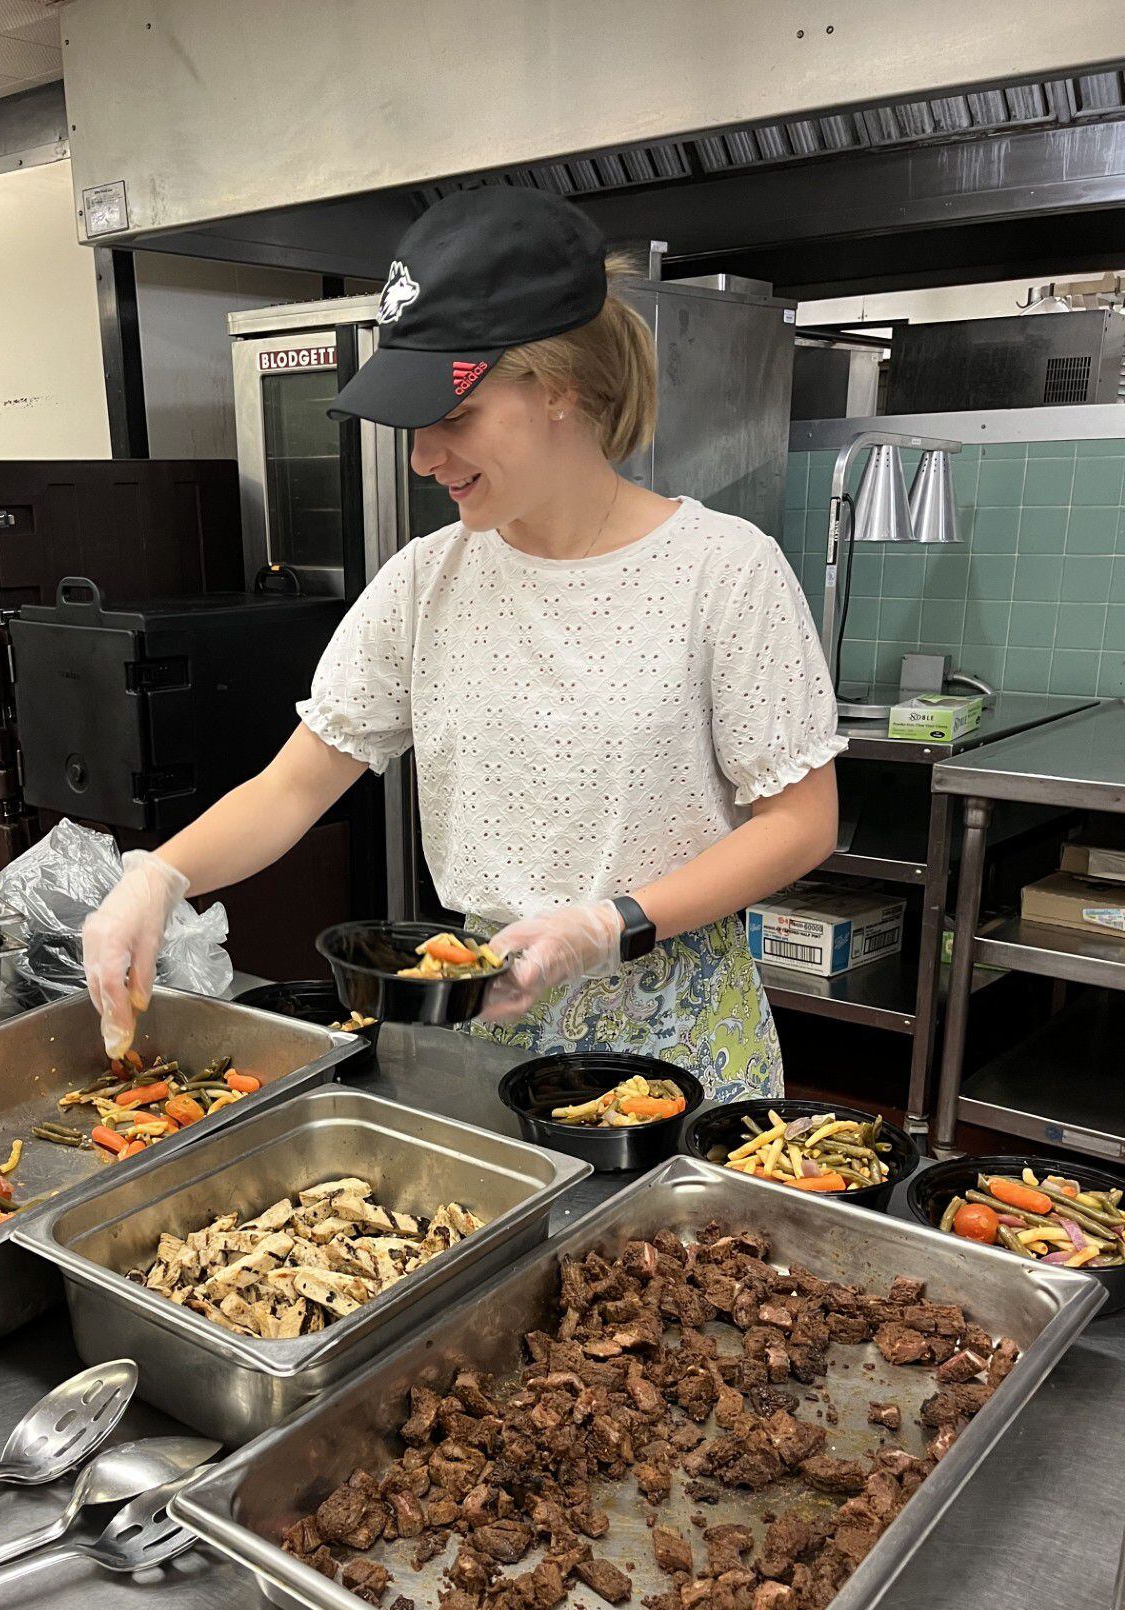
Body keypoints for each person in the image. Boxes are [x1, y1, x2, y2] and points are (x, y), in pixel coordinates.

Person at [83, 184, 843, 1095]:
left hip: (674, 1034)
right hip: (484, 1019)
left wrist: (608, 924)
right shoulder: (425, 580)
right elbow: (292, 789)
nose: (420, 457)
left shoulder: (724, 570)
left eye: (454, 418)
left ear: (559, 384)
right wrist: (159, 877)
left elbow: (802, 823)